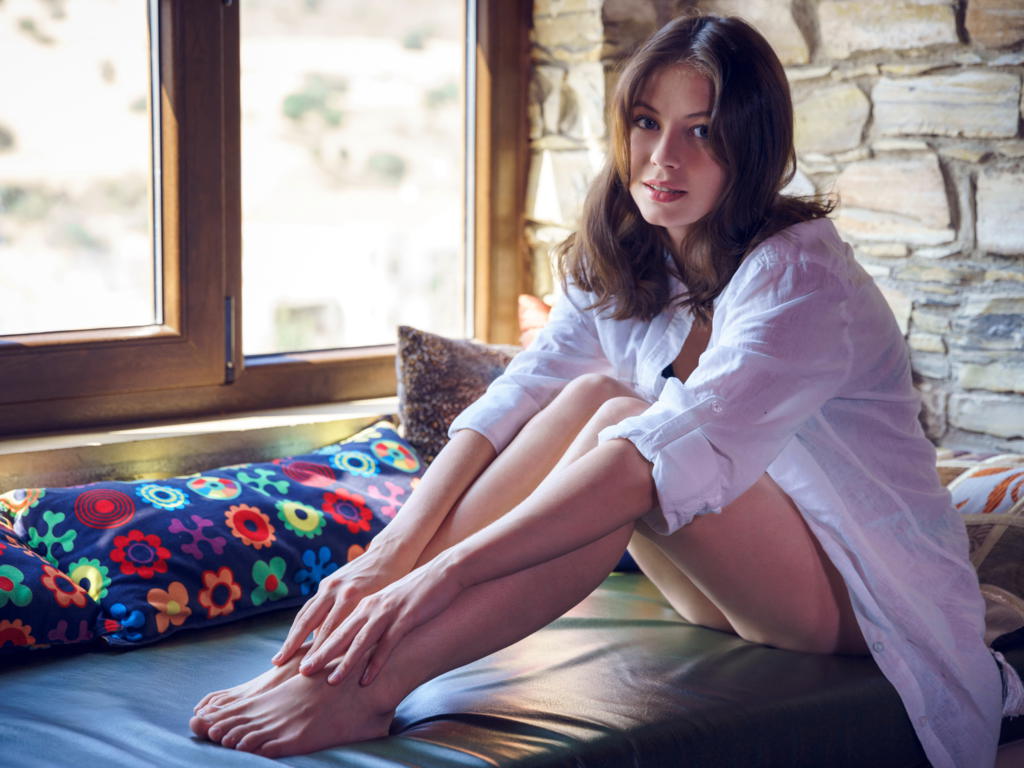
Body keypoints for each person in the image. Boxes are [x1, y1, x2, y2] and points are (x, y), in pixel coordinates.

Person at [189, 14, 1015, 767]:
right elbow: (519, 396)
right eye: (648, 123)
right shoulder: (631, 247)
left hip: (856, 598)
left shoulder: (801, 278)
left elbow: (650, 461)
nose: (664, 159)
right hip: (724, 586)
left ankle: (369, 687)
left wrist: (439, 578)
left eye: (702, 132)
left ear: (753, 144)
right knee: (591, 398)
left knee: (624, 419)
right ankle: (329, 665)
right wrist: (389, 555)